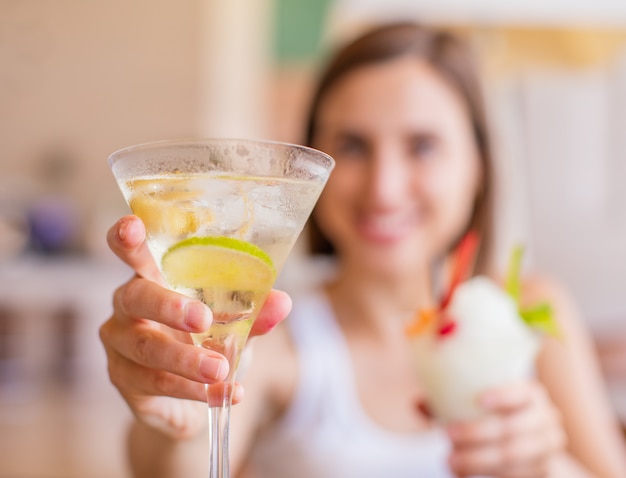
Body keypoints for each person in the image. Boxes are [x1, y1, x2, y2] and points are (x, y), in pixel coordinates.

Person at [99, 22, 626, 477]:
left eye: (423, 145)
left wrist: (548, 465)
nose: (384, 188)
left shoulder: (535, 309)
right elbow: (168, 464)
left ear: (480, 165)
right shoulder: (280, 338)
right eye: (352, 145)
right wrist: (176, 421)